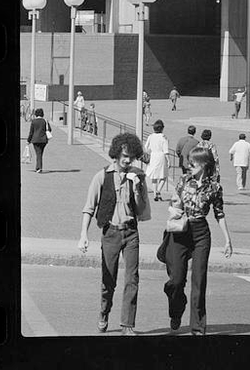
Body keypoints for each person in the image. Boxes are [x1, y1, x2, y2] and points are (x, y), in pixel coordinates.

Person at [78, 132, 149, 336]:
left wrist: (138, 188)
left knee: (132, 278)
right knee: (109, 280)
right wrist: (83, 235)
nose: (128, 160)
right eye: (124, 156)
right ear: (116, 154)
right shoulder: (102, 176)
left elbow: (143, 209)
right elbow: (88, 208)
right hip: (110, 232)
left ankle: (127, 325)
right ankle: (104, 311)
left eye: (131, 157)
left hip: (131, 233)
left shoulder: (137, 176)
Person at [163, 147, 233, 335]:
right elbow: (174, 202)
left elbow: (219, 213)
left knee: (199, 281)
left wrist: (227, 240)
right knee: (176, 281)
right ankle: (176, 310)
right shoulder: (183, 180)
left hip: (201, 232)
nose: (189, 165)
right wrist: (174, 208)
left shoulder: (215, 187)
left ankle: (197, 328)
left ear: (204, 165)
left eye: (193, 162)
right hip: (180, 232)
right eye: (189, 161)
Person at [144, 119, 169, 201]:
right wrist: (169, 160)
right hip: (161, 156)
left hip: (153, 156)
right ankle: (158, 190)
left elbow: (146, 147)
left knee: (154, 176)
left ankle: (155, 193)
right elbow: (166, 150)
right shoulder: (163, 137)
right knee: (163, 175)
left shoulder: (151, 136)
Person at [26, 108, 51, 173]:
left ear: (36, 114)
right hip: (44, 140)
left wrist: (28, 140)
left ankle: (39, 168)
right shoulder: (45, 121)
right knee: (40, 153)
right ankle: (38, 167)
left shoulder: (34, 121)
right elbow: (49, 129)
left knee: (38, 153)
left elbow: (31, 132)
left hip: (35, 140)